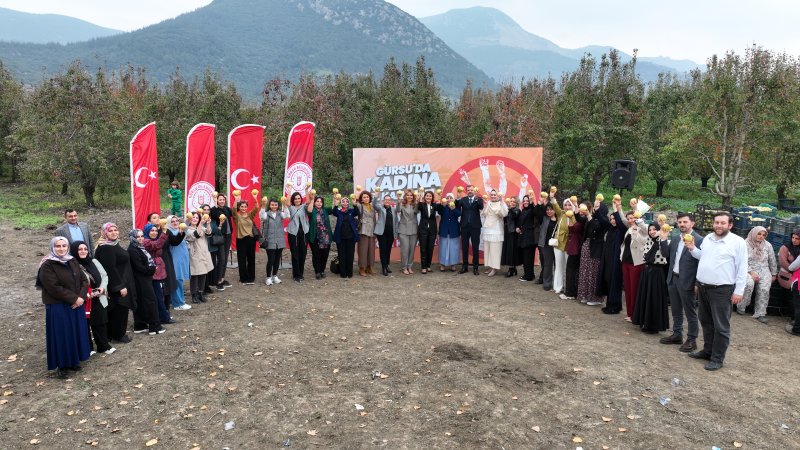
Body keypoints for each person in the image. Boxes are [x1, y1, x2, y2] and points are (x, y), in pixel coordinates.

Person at [686, 212, 748, 371]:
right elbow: (703, 257)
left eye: (722, 223)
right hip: (703, 287)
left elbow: (742, 268)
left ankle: (717, 358)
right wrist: (693, 249)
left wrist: (739, 291)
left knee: (721, 326)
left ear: (730, 225)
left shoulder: (737, 242)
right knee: (706, 321)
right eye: (716, 222)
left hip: (722, 290)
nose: (719, 225)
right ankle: (707, 351)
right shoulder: (708, 239)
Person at [37, 237, 90, 378]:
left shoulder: (71, 260)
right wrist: (75, 298)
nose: (61, 248)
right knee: (62, 335)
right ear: (53, 247)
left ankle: (73, 361)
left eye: (64, 245)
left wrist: (81, 297)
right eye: (58, 246)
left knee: (75, 332)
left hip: (76, 304)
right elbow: (53, 287)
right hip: (58, 306)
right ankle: (62, 365)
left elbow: (84, 280)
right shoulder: (47, 265)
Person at [659, 212, 704, 351]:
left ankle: (691, 340)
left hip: (688, 281)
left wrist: (697, 283)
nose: (682, 224)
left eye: (685, 222)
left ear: (692, 223)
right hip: (673, 278)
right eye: (680, 222)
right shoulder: (676, 238)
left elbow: (702, 263)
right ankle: (677, 334)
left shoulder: (699, 240)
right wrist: (663, 239)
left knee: (690, 311)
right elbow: (666, 254)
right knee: (676, 309)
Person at [69, 240, 115, 355]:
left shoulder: (94, 261)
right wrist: (86, 293)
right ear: (74, 250)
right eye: (80, 249)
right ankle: (88, 348)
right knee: (85, 324)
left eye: (85, 249)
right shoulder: (73, 265)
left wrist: (102, 288)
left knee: (101, 322)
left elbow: (104, 275)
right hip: (85, 299)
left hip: (99, 296)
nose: (83, 251)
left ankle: (103, 346)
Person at [94, 223, 135, 344]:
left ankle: (115, 333)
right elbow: (110, 269)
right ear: (104, 233)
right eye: (110, 231)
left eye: (115, 230)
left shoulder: (113, 244)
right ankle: (118, 335)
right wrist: (119, 287)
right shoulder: (106, 247)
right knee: (119, 309)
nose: (113, 232)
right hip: (116, 285)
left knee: (119, 310)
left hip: (121, 281)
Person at [632, 223, 670, 333]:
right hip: (647, 272)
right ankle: (644, 322)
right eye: (650, 230)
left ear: (659, 230)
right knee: (645, 297)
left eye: (654, 229)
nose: (652, 231)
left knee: (654, 298)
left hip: (657, 272)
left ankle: (654, 325)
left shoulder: (663, 241)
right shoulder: (648, 240)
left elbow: (665, 253)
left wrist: (663, 239)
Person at [127, 229, 165, 335]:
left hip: (143, 278)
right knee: (150, 301)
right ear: (133, 238)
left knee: (142, 302)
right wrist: (153, 269)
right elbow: (139, 267)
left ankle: (140, 325)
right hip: (141, 279)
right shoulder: (133, 250)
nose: (140, 238)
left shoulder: (139, 247)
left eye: (142, 236)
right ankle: (155, 327)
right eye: (138, 237)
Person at [737, 226, 778, 323]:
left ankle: (760, 313)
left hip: (764, 269)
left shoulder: (768, 245)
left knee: (764, 289)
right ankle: (741, 307)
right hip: (747, 269)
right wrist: (751, 272)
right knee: (749, 283)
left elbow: (772, 260)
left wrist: (773, 274)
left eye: (764, 235)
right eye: (759, 234)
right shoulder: (745, 244)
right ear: (754, 233)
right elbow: (740, 261)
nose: (761, 237)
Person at [618, 209, 649, 322]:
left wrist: (637, 227)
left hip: (636, 263)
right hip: (625, 261)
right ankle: (630, 313)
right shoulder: (629, 228)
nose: (631, 220)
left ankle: (635, 315)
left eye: (633, 218)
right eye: (629, 218)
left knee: (634, 289)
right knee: (628, 289)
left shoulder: (643, 229)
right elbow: (622, 220)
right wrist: (618, 208)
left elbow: (644, 241)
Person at [597, 200, 627, 315]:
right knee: (608, 280)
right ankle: (610, 304)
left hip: (616, 260)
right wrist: (597, 209)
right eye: (611, 219)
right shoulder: (609, 229)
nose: (613, 221)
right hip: (607, 259)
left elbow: (620, 222)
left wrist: (617, 209)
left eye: (614, 219)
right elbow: (602, 220)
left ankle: (614, 306)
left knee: (614, 282)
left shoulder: (621, 230)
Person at [577, 200, 609, 305]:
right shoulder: (592, 217)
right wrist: (576, 208)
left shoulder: (604, 220)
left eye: (598, 206)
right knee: (585, 271)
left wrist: (590, 214)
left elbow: (596, 226)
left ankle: (595, 298)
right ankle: (585, 295)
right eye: (595, 206)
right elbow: (580, 219)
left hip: (596, 248)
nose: (596, 207)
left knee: (593, 272)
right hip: (587, 246)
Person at [143, 223, 174, 325]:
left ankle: (163, 315)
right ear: (147, 232)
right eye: (152, 231)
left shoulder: (153, 240)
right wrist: (164, 233)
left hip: (159, 270)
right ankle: (163, 317)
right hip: (153, 272)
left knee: (160, 295)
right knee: (157, 296)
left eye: (156, 230)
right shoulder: (146, 241)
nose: (155, 232)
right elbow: (157, 245)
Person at [230, 193, 260, 285]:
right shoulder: (237, 217)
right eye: (242, 206)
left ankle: (251, 278)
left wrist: (255, 199)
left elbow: (256, 208)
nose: (243, 208)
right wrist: (236, 200)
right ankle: (243, 278)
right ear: (240, 207)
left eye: (245, 206)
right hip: (241, 240)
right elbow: (234, 210)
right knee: (242, 259)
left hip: (251, 240)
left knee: (251, 259)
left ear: (247, 207)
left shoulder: (249, 215)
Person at [185, 212, 215, 303]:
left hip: (204, 253)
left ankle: (200, 293)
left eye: (197, 218)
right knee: (195, 275)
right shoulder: (187, 230)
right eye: (193, 217)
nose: (195, 219)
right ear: (190, 219)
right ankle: (194, 295)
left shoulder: (202, 227)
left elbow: (209, 233)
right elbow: (195, 235)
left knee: (203, 273)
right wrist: (201, 223)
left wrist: (208, 223)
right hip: (194, 254)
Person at [261, 198, 289, 285]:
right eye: (272, 205)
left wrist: (285, 204)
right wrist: (263, 205)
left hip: (279, 240)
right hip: (269, 240)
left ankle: (275, 275)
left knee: (277, 259)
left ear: (278, 205)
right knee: (271, 259)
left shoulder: (280, 214)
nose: (274, 206)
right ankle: (268, 277)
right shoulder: (266, 214)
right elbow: (261, 216)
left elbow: (287, 215)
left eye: (276, 205)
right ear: (269, 205)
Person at [165, 215, 191, 311]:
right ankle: (179, 303)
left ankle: (174, 300)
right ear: (168, 223)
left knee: (179, 280)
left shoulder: (179, 230)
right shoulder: (169, 232)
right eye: (172, 221)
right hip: (175, 259)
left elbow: (186, 227)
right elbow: (175, 241)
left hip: (181, 260)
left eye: (176, 221)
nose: (175, 223)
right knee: (177, 281)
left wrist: (187, 221)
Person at [457, 185, 483, 275]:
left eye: (471, 190)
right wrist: (457, 198)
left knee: (475, 247)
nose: (470, 191)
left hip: (475, 226)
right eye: (468, 190)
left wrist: (476, 199)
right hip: (464, 226)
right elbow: (457, 207)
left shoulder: (479, 199)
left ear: (474, 190)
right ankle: (465, 266)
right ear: (466, 191)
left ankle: (475, 267)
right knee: (465, 247)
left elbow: (481, 207)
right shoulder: (463, 199)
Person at [551, 195, 575, 294]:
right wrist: (552, 198)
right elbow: (555, 206)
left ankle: (568, 288)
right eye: (566, 204)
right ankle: (558, 287)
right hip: (559, 242)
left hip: (569, 244)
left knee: (568, 267)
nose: (567, 206)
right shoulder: (561, 214)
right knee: (559, 266)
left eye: (569, 204)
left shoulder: (575, 215)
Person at [481, 189, 508, 276]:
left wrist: (501, 203)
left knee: (495, 250)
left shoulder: (502, 203)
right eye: (491, 195)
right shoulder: (488, 203)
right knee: (488, 249)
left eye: (494, 195)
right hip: (487, 229)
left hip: (496, 229)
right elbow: (483, 214)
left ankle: (495, 268)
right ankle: (490, 266)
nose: (493, 196)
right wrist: (485, 205)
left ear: (497, 195)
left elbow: (504, 214)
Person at [209, 193, 234, 290]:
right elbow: (214, 214)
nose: (222, 201)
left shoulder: (227, 209)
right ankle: (218, 280)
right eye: (220, 199)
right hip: (220, 237)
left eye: (223, 199)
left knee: (225, 259)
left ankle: (222, 278)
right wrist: (215, 202)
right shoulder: (214, 210)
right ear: (217, 200)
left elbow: (233, 212)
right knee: (221, 259)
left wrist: (236, 200)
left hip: (228, 236)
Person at [306, 195, 334, 280]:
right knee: (316, 255)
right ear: (314, 203)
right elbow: (309, 212)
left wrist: (335, 198)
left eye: (320, 201)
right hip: (315, 236)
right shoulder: (312, 210)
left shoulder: (325, 210)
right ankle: (317, 271)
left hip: (325, 236)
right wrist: (311, 199)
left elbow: (333, 207)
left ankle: (322, 270)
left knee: (325, 255)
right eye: (317, 201)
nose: (319, 203)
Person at [331, 195, 359, 278]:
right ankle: (343, 273)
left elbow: (357, 212)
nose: (345, 203)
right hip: (341, 237)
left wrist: (355, 204)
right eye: (343, 201)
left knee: (350, 255)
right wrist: (336, 204)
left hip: (351, 237)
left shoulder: (351, 211)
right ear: (341, 203)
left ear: (348, 203)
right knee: (342, 255)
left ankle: (349, 273)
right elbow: (334, 212)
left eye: (347, 201)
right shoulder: (339, 211)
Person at [285, 192, 310, 282]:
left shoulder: (304, 207)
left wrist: (307, 190)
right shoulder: (291, 208)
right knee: (295, 254)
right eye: (295, 198)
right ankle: (296, 275)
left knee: (303, 254)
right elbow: (287, 202)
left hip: (304, 233)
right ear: (293, 200)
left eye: (299, 198)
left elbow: (308, 201)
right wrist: (289, 189)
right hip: (293, 233)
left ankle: (301, 273)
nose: (297, 200)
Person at [535, 200, 557, 289]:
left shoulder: (560, 219)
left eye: (551, 209)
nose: (549, 211)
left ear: (555, 210)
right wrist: (540, 204)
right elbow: (536, 212)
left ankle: (557, 284)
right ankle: (547, 283)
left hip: (557, 245)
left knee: (557, 265)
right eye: (547, 210)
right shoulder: (543, 218)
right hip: (546, 245)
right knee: (547, 264)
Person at [356, 191, 379, 276]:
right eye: (364, 197)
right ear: (361, 199)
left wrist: (376, 231)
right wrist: (359, 194)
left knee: (371, 250)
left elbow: (374, 219)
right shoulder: (359, 206)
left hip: (372, 230)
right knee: (362, 250)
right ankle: (362, 268)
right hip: (363, 230)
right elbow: (355, 203)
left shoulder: (372, 206)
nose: (366, 198)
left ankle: (370, 267)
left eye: (367, 197)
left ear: (370, 198)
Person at [436, 193, 460, 272]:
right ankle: (442, 265)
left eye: (451, 198)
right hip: (444, 230)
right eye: (448, 198)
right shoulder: (443, 207)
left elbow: (459, 214)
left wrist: (453, 208)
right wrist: (442, 205)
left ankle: (453, 264)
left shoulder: (456, 207)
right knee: (443, 248)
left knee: (454, 248)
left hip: (454, 231)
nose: (449, 199)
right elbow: (439, 211)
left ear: (453, 199)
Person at [396, 190, 419, 275]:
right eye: (408, 195)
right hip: (403, 230)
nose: (409, 197)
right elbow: (397, 210)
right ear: (405, 196)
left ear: (413, 197)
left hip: (414, 230)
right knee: (405, 249)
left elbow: (417, 212)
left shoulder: (415, 205)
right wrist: (398, 201)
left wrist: (418, 202)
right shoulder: (402, 205)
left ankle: (409, 266)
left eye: (411, 195)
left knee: (412, 250)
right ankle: (404, 267)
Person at [375, 195, 398, 276]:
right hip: (382, 233)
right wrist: (375, 195)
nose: (387, 201)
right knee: (383, 250)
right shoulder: (380, 208)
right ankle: (383, 267)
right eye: (386, 199)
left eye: (389, 200)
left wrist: (398, 199)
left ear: (391, 201)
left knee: (388, 250)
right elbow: (374, 204)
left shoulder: (393, 209)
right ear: (383, 201)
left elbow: (398, 210)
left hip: (391, 233)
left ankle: (387, 265)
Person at [417, 190, 438, 274]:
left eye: (430, 196)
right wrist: (418, 199)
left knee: (430, 248)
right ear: (424, 197)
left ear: (432, 197)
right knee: (423, 249)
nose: (428, 197)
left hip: (432, 230)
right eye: (427, 196)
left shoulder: (435, 205)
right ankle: (423, 267)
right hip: (423, 230)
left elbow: (441, 208)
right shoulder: (422, 205)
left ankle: (428, 266)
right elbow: (418, 207)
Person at [501, 196, 522, 277]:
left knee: (512, 251)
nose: (512, 202)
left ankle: (511, 269)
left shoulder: (517, 210)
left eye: (514, 201)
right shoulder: (509, 210)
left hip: (513, 233)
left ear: (516, 203)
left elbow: (514, 216)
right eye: (511, 201)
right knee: (509, 250)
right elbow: (505, 220)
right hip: (507, 232)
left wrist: (508, 208)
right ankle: (513, 268)